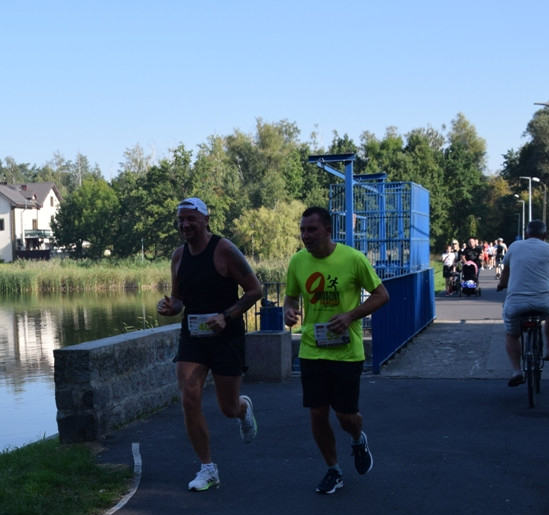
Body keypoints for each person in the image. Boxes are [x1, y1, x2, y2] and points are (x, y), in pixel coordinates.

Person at [157, 197, 263, 491]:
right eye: (180, 219)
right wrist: (170, 306)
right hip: (193, 336)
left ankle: (243, 410)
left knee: (227, 407)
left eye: (191, 218)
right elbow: (179, 299)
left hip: (226, 336)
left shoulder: (225, 250)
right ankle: (208, 468)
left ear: (205, 220)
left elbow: (255, 290)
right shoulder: (178, 257)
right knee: (189, 398)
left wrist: (226, 315)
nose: (185, 224)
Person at [283, 206, 390, 495]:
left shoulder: (353, 259)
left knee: (346, 416)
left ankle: (358, 439)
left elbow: (382, 295)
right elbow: (290, 297)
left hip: (346, 351)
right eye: (303, 229)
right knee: (317, 413)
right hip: (312, 349)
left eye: (312, 230)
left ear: (328, 231)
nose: (306, 235)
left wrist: (350, 316)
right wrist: (289, 312)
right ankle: (333, 470)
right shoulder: (297, 262)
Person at [496, 220, 549, 387]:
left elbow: (505, 273)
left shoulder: (514, 247)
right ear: (545, 235)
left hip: (516, 303)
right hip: (543, 302)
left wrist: (501, 285)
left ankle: (516, 371)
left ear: (526, 234)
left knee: (512, 335)